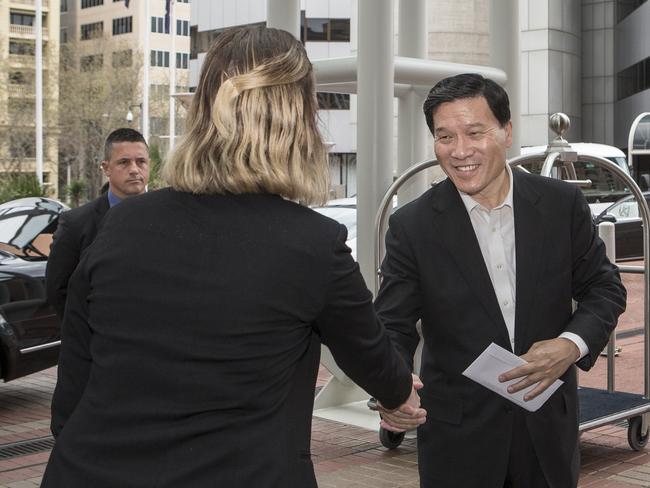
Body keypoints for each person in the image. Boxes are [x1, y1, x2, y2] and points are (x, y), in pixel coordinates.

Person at [41, 26, 425, 488]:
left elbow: (75, 372)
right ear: (296, 122)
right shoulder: (312, 245)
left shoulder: (121, 224)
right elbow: (373, 357)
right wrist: (399, 397)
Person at [376, 73, 626, 488]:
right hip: (458, 443)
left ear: (507, 132)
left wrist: (569, 345)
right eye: (445, 137)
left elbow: (605, 288)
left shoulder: (560, 205)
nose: (460, 151)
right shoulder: (413, 225)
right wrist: (391, 390)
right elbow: (391, 326)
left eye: (475, 132)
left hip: (547, 434)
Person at [46, 128, 149, 319]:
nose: (134, 169)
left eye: (141, 161)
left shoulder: (166, 218)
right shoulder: (75, 224)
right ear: (106, 167)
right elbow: (57, 290)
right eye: (124, 162)